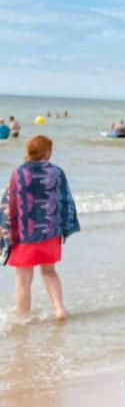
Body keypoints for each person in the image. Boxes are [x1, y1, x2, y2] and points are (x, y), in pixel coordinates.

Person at [0, 136, 80, 320]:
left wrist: (4, 230)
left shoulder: (19, 173)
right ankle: (59, 309)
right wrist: (65, 226)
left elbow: (8, 204)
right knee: (49, 272)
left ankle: (23, 318)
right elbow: (65, 201)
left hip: (24, 235)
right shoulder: (57, 172)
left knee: (23, 278)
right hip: (50, 233)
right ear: (46, 152)